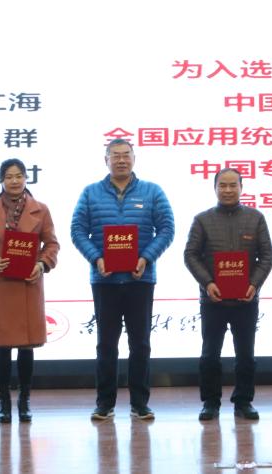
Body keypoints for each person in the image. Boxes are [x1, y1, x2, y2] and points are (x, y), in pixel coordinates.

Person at [71, 138, 174, 421]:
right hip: (104, 280)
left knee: (140, 344)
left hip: (140, 279)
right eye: (114, 155)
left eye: (125, 155)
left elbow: (167, 229)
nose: (120, 160)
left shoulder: (152, 191)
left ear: (134, 158)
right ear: (106, 160)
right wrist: (96, 258)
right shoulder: (90, 193)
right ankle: (104, 403)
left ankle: (140, 403)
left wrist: (146, 258)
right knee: (106, 344)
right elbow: (77, 230)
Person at [0, 158, 59, 423]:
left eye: (19, 175)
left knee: (27, 347)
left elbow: (52, 244)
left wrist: (42, 264)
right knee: (2, 346)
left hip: (28, 283)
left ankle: (24, 400)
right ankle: (4, 401)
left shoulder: (41, 209)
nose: (14, 181)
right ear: (1, 180)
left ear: (26, 178)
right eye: (9, 176)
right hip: (1, 284)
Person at [184, 168, 272, 421]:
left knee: (245, 355)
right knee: (210, 354)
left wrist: (254, 284)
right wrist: (207, 283)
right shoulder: (202, 219)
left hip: (246, 299)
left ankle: (243, 401)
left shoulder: (256, 218)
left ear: (241, 187)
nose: (228, 190)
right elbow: (190, 255)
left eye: (233, 185)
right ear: (215, 188)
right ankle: (210, 402)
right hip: (213, 299)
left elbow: (266, 256)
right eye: (222, 185)